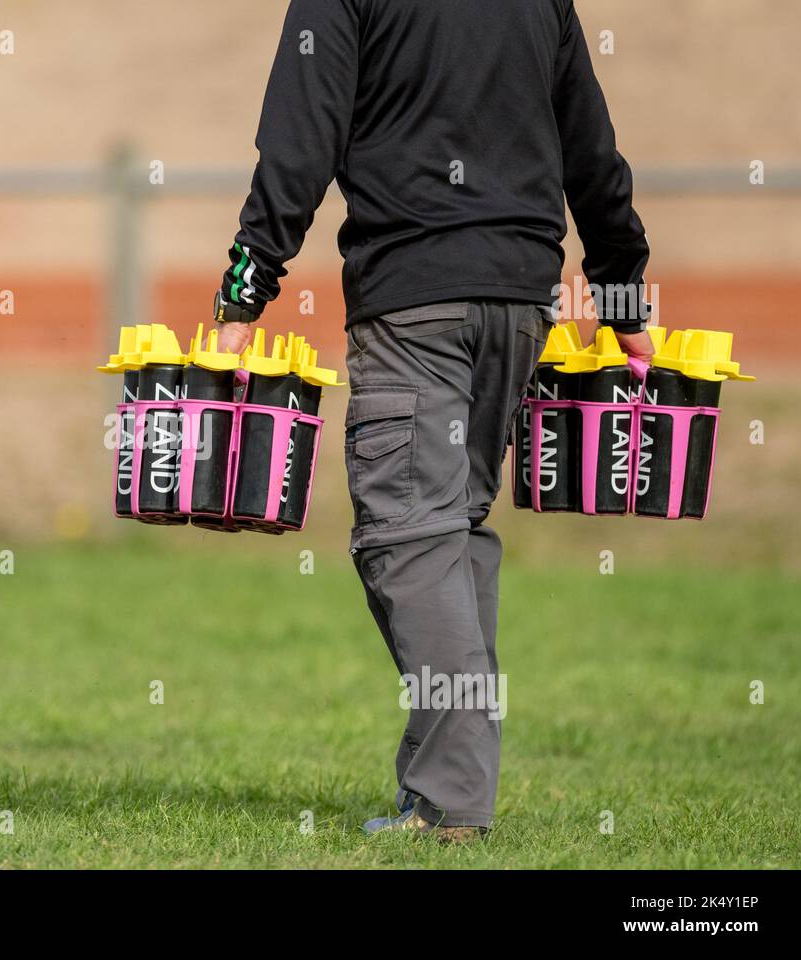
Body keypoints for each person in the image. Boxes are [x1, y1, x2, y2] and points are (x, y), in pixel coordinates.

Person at [211, 0, 654, 842]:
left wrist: (244, 291)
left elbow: (298, 139)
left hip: (413, 301)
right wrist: (626, 294)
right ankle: (435, 791)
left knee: (406, 540)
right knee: (445, 535)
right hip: (522, 308)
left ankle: (454, 804)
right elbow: (594, 150)